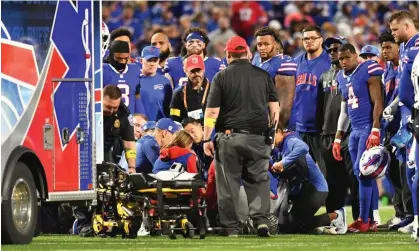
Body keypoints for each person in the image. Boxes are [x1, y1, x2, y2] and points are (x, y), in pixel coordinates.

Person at [202, 35, 280, 237]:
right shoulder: (263, 75)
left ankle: (232, 228)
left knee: (229, 185)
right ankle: (261, 221)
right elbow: (274, 108)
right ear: (247, 53)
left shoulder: (221, 77)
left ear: (228, 54)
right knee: (259, 181)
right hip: (259, 137)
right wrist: (271, 133)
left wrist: (205, 138)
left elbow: (212, 113)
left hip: (230, 138)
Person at [333, 43, 384, 232]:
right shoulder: (340, 76)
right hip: (354, 130)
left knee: (363, 173)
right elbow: (345, 110)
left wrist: (376, 129)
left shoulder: (368, 68)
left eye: (347, 57)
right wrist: (338, 137)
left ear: (356, 56)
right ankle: (369, 220)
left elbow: (378, 100)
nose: (344, 62)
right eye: (341, 59)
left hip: (367, 128)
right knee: (360, 174)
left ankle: (364, 219)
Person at [269, 127, 347, 234]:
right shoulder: (277, 148)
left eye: (272, 136)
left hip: (315, 188)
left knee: (295, 225)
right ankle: (316, 227)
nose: (270, 140)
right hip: (300, 190)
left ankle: (336, 216)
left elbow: (303, 147)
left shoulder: (290, 140)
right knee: (285, 226)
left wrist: (283, 163)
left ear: (279, 131)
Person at [317, 36, 359, 221]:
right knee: (332, 182)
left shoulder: (355, 74)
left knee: (355, 178)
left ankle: (360, 218)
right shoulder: (323, 77)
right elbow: (319, 107)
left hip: (350, 132)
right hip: (327, 133)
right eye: (330, 50)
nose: (333, 53)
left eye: (336, 49)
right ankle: (335, 218)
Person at [389, 10, 419, 231]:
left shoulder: (417, 46)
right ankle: (414, 216)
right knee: (408, 169)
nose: (393, 34)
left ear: (407, 26)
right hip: (407, 114)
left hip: (414, 113)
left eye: (395, 29)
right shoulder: (405, 47)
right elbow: (404, 86)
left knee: (413, 168)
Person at [379, 30, 410, 228]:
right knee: (391, 171)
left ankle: (410, 214)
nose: (385, 51)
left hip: (405, 125)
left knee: (404, 170)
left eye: (389, 47)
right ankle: (399, 212)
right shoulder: (387, 70)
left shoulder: (405, 67)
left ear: (399, 47)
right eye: (382, 48)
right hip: (389, 128)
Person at [292, 25, 331, 176]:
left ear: (321, 40)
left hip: (321, 129)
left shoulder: (329, 61)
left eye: (313, 38)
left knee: (325, 174)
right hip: (300, 128)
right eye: (305, 39)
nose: (309, 41)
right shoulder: (296, 62)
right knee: (300, 174)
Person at [253, 26, 296, 128]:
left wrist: (277, 129)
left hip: (276, 124)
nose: (262, 48)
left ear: (275, 44)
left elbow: (285, 104)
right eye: (259, 44)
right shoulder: (256, 59)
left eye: (266, 44)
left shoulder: (283, 63)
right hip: (260, 120)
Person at [102, 85, 136, 174]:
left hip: (106, 149)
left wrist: (132, 167)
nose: (112, 111)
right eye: (108, 107)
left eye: (115, 107)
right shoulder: (89, 107)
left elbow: (129, 142)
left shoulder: (123, 112)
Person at [103, 40, 143, 114]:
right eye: (119, 58)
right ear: (111, 55)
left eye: (125, 58)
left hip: (129, 119)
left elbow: (137, 96)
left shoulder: (135, 69)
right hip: (108, 117)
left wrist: (140, 114)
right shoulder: (102, 70)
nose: (123, 61)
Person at [170, 55, 210, 123]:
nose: (196, 74)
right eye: (193, 71)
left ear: (204, 69)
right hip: (188, 132)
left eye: (199, 70)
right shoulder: (178, 93)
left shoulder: (214, 90)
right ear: (185, 71)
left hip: (211, 132)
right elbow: (174, 119)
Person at [137, 46, 172, 121]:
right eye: (149, 60)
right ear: (141, 60)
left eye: (155, 60)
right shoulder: (135, 80)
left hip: (158, 128)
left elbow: (169, 108)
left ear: (158, 61)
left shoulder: (165, 82)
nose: (152, 64)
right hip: (139, 127)